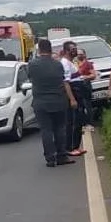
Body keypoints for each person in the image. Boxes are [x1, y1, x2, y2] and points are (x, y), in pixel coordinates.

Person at [27, 39, 78, 167]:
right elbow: (62, 80)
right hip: (59, 101)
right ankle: (62, 156)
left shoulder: (32, 65)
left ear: (39, 50)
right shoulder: (58, 65)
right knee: (60, 129)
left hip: (41, 102)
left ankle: (50, 158)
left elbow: (30, 78)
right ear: (51, 50)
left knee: (46, 130)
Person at [59, 40, 87, 156]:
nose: (75, 51)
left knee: (78, 121)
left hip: (78, 93)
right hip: (73, 94)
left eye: (75, 48)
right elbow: (66, 83)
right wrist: (72, 99)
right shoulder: (65, 63)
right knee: (72, 122)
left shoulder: (71, 62)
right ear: (66, 51)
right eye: (73, 49)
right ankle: (70, 147)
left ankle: (76, 146)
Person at [75, 48, 99, 126]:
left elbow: (93, 75)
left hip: (85, 86)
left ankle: (90, 122)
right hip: (77, 87)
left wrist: (85, 77)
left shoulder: (88, 64)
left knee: (87, 105)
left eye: (81, 54)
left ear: (84, 55)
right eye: (78, 54)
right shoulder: (74, 64)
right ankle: (82, 122)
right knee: (79, 106)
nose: (79, 56)